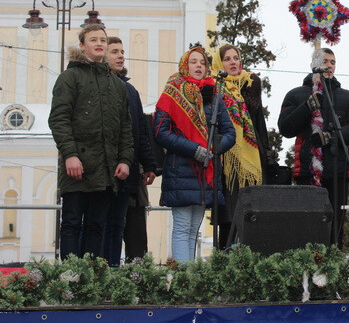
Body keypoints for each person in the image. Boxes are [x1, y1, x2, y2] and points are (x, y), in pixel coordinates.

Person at [48, 25, 134, 260]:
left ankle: (91, 283)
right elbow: (59, 119)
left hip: (106, 170)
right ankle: (69, 281)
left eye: (103, 40)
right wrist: (70, 155)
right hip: (77, 166)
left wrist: (125, 160)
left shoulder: (117, 86)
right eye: (93, 39)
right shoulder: (70, 78)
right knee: (72, 224)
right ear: (82, 45)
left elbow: (125, 128)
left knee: (97, 225)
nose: (99, 43)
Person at [153, 45, 236, 261]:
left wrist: (213, 149)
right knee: (181, 226)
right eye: (193, 62)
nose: (199, 66)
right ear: (184, 65)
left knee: (193, 228)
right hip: (180, 168)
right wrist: (194, 149)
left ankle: (190, 279)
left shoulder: (213, 94)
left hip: (205, 170)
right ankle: (183, 279)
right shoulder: (172, 91)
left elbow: (229, 132)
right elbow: (161, 132)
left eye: (203, 62)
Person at [278, 48, 349, 247]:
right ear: (313, 64)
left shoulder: (347, 97)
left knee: (336, 227)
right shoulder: (295, 95)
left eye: (333, 62)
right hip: (308, 171)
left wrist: (331, 137)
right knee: (308, 225)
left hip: (337, 171)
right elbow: (285, 128)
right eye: (325, 61)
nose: (329, 66)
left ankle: (334, 267)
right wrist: (306, 107)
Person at [211, 44, 275, 249]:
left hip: (252, 157)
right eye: (227, 59)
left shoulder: (250, 85)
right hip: (226, 160)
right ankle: (225, 262)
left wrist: (266, 151)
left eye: (236, 58)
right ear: (220, 63)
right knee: (228, 218)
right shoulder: (214, 86)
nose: (233, 62)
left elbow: (259, 124)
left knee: (252, 216)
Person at [102, 37, 158, 265]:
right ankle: (107, 274)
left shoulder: (131, 91)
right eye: (114, 51)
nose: (120, 55)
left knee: (135, 233)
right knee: (109, 228)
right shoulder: (99, 87)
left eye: (122, 51)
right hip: (106, 172)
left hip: (132, 174)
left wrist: (150, 165)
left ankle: (137, 279)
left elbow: (140, 133)